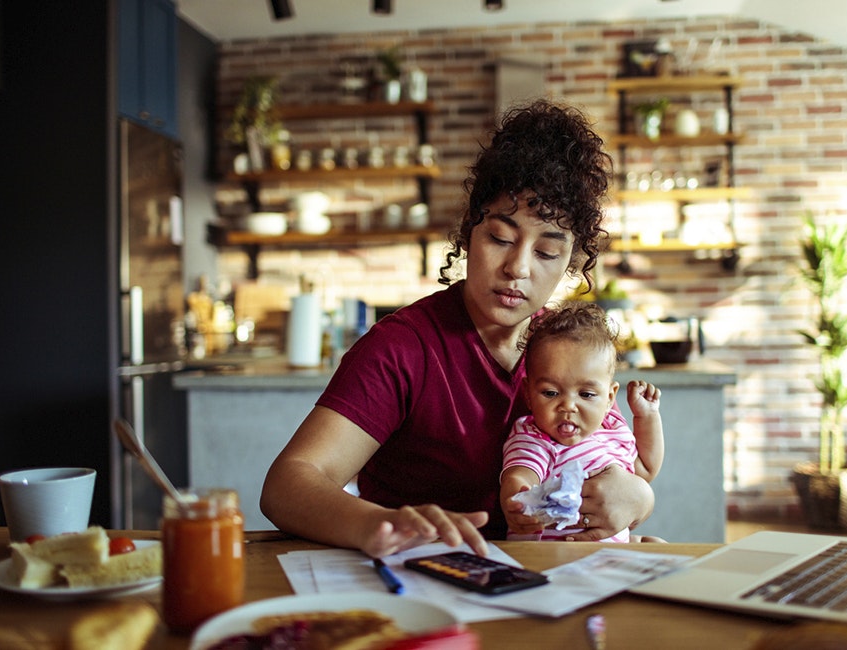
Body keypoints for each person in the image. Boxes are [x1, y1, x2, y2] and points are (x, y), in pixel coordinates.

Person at [260, 99, 655, 559]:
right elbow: (287, 484)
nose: (518, 268)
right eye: (500, 239)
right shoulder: (403, 347)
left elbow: (612, 463)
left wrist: (639, 499)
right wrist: (378, 523)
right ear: (470, 231)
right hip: (422, 574)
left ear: (572, 261)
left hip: (547, 579)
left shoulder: (567, 349)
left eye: (547, 252)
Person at [499, 301, 664, 542]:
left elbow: (645, 470)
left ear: (609, 398)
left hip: (607, 555)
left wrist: (647, 417)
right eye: (551, 393)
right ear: (528, 394)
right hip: (555, 556)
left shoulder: (612, 429)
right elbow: (521, 474)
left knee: (656, 545)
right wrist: (517, 498)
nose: (568, 406)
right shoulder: (535, 437)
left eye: (586, 395)